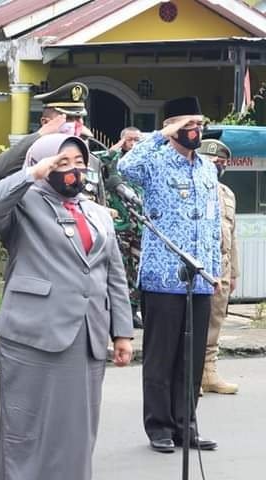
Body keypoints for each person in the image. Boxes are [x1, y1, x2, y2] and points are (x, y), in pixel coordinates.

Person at [0, 133, 133, 480]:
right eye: (63, 163)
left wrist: (122, 332)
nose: (73, 171)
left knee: (79, 426)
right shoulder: (25, 204)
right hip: (34, 331)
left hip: (88, 333)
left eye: (79, 163)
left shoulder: (96, 212)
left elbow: (114, 274)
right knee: (27, 428)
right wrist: (34, 173)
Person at [118, 96, 221, 453]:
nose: (195, 131)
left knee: (191, 359)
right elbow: (126, 166)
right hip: (163, 277)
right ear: (174, 127)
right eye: (188, 125)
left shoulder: (207, 168)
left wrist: (216, 271)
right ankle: (159, 426)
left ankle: (185, 424)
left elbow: (212, 223)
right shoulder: (155, 162)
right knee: (161, 357)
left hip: (201, 278)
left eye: (198, 125)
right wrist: (163, 135)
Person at [0, 82, 106, 205]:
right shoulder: (34, 157)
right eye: (68, 118)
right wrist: (40, 134)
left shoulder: (91, 161)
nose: (76, 124)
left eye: (79, 118)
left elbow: (99, 201)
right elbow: (0, 170)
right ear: (46, 122)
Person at [197, 136, 240, 394]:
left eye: (221, 162)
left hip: (221, 266)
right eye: (212, 161)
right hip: (199, 265)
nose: (217, 166)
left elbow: (232, 234)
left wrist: (233, 273)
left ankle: (208, 373)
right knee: (194, 322)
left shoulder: (227, 194)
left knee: (216, 320)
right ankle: (190, 374)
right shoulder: (191, 189)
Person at [98, 126, 144, 328]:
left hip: (139, 225)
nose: (134, 144)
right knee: (121, 269)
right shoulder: (115, 161)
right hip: (121, 225)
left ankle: (133, 311)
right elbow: (102, 161)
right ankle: (119, 313)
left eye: (137, 139)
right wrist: (118, 145)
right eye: (130, 140)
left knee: (137, 269)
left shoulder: (140, 162)